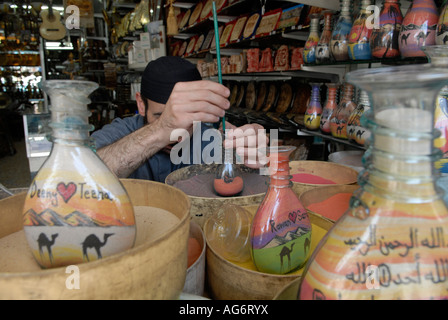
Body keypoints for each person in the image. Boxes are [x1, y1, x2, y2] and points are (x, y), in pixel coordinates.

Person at [91, 56, 267, 183]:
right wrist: (160, 130)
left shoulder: (213, 136)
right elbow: (79, 175)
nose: (177, 136)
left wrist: (255, 158)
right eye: (161, 117)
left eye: (188, 119)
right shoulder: (120, 132)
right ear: (141, 104)